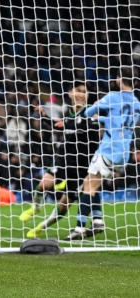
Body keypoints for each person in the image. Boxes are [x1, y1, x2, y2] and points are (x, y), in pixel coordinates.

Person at [65, 66, 140, 240]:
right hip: (124, 153)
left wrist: (96, 108)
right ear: (135, 82)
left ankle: (79, 228)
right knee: (92, 183)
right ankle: (97, 220)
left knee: (88, 187)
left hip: (108, 149)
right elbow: (119, 122)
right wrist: (105, 119)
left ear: (118, 79)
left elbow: (88, 113)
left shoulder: (113, 96)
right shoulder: (137, 103)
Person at [19, 81, 100, 238]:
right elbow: (59, 126)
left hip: (82, 167)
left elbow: (88, 129)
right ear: (70, 93)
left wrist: (72, 124)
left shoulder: (91, 113)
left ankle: (41, 227)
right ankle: (36, 208)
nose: (81, 95)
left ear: (88, 96)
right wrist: (44, 117)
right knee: (44, 184)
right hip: (64, 158)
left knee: (63, 207)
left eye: (84, 92)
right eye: (78, 91)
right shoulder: (68, 113)